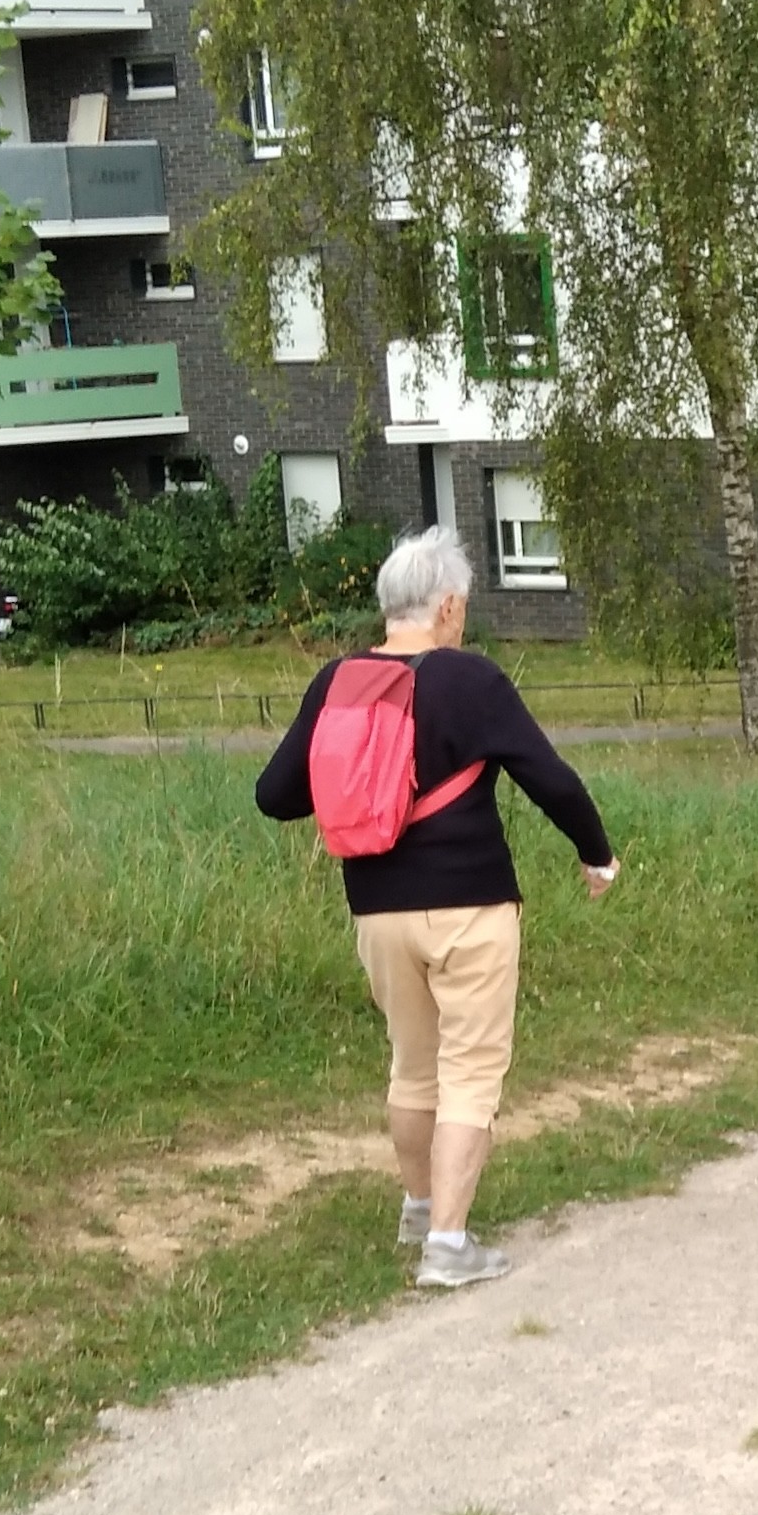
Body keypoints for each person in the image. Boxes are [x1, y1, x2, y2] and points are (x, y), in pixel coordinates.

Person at [255, 523, 618, 1291]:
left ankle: (419, 1207)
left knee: (413, 1067)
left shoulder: (336, 681)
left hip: (377, 909)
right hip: (470, 904)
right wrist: (596, 852)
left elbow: (274, 795)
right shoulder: (471, 680)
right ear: (448, 606)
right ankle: (449, 1246)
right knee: (472, 1072)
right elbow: (548, 777)